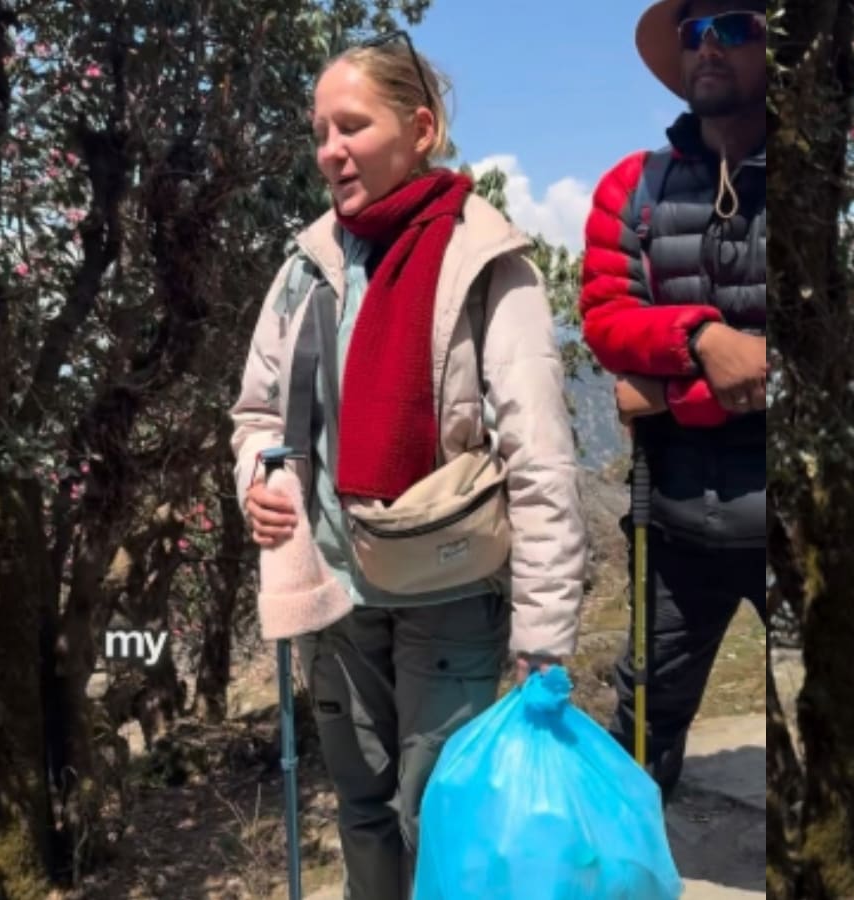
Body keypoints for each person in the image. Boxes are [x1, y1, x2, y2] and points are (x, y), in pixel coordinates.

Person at [229, 33, 585, 900]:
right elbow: (258, 414)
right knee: (362, 811)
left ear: (420, 129)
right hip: (335, 591)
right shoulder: (307, 268)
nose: (330, 150)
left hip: (451, 591)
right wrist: (257, 481)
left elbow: (540, 457)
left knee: (439, 815)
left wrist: (542, 639)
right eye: (320, 131)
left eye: (352, 126)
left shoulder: (487, 264)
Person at [579, 0, 768, 803]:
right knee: (644, 718)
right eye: (695, 32)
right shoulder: (633, 187)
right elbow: (605, 320)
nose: (710, 47)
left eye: (736, 26)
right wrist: (704, 343)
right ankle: (629, 859)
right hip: (675, 516)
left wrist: (662, 388)